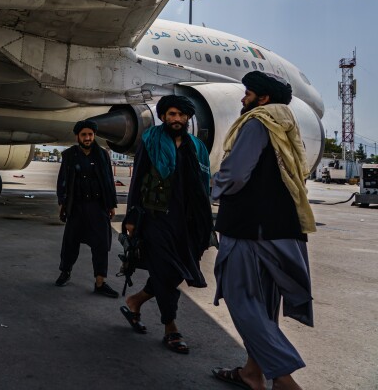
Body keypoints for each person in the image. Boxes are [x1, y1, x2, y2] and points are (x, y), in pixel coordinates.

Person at [211, 72, 315, 390]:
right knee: (265, 305)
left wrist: (211, 186)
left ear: (263, 99)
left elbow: (236, 174)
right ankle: (251, 373)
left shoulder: (257, 121)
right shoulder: (287, 124)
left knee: (241, 299)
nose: (243, 99)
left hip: (249, 229)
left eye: (248, 93)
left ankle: (284, 379)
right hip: (282, 228)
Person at [119, 95, 213, 354]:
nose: (177, 119)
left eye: (182, 115)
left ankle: (135, 301)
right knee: (164, 268)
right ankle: (170, 327)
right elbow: (137, 181)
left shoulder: (196, 147)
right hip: (156, 217)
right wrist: (130, 218)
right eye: (172, 114)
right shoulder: (151, 142)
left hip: (188, 220)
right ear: (162, 117)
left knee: (178, 270)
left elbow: (203, 186)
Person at [55, 120, 119, 297]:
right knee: (70, 243)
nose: (88, 138)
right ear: (78, 136)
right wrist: (62, 202)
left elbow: (109, 181)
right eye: (84, 135)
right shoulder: (69, 155)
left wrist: (111, 204)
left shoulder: (102, 155)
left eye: (90, 134)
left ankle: (100, 282)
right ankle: (65, 272)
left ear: (94, 136)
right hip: (76, 207)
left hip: (98, 207)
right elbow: (62, 180)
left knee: (100, 244)